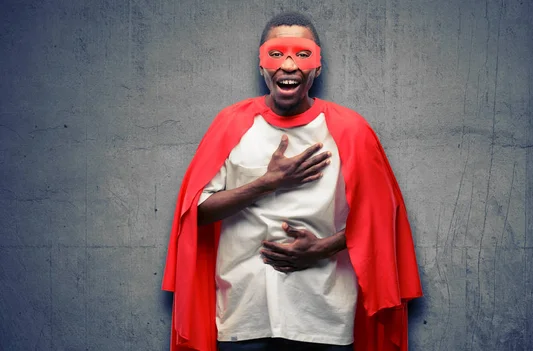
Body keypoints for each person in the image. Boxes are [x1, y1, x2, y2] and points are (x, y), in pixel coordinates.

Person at [162, 12, 422, 351]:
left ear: (317, 66)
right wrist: (268, 183)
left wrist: (322, 248)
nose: (288, 65)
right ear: (261, 66)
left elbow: (382, 223)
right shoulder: (230, 125)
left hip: (323, 314)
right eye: (276, 54)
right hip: (244, 313)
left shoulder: (352, 131)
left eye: (301, 54)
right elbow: (194, 213)